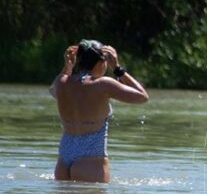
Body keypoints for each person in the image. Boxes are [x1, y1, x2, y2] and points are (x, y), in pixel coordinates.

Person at [50, 40, 149, 183]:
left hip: (63, 162)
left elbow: (54, 92)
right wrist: (117, 69)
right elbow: (142, 97)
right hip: (90, 160)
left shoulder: (61, 83)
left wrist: (68, 67)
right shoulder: (103, 84)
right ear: (102, 62)